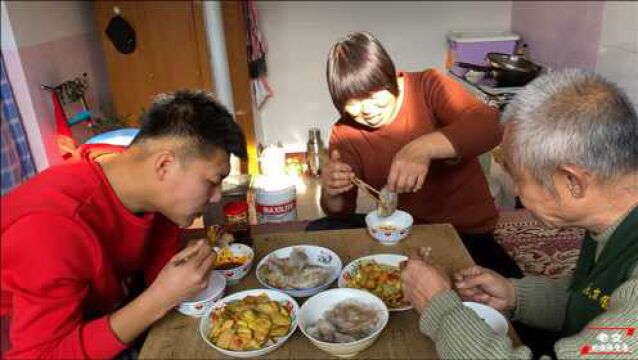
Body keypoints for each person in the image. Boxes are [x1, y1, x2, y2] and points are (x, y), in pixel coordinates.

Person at [401, 69, 638, 359]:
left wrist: (439, 307)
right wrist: (515, 295)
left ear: (573, 182)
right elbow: (592, 297)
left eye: (516, 175)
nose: (513, 189)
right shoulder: (613, 215)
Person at [1, 90, 247, 358]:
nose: (216, 197)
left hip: (102, 308)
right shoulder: (51, 230)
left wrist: (178, 271)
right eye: (212, 181)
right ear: (164, 165)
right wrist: (161, 297)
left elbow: (158, 262)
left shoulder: (139, 175)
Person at [317, 31, 521, 278]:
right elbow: (341, 211)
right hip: (403, 232)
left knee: (508, 300)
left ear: (389, 76)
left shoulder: (427, 86)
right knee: (321, 230)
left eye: (373, 96)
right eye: (353, 102)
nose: (368, 110)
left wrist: (421, 148)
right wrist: (331, 189)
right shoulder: (344, 132)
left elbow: (491, 125)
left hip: (464, 230)